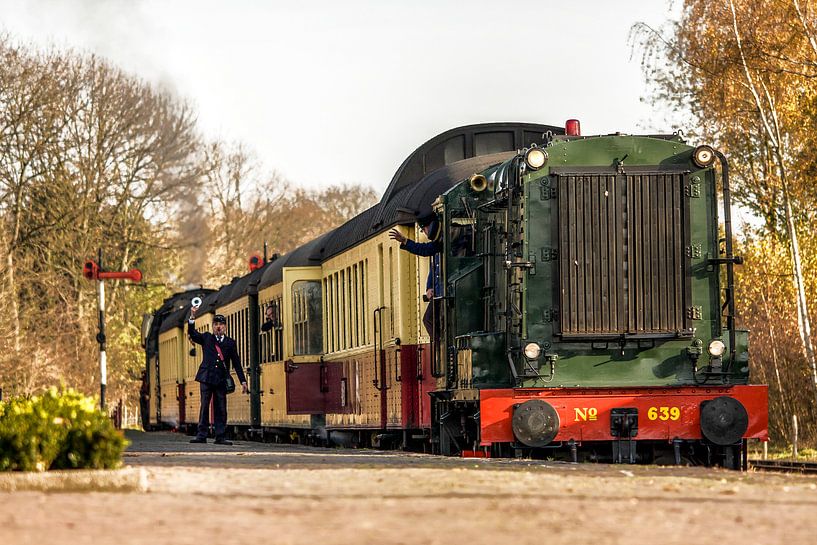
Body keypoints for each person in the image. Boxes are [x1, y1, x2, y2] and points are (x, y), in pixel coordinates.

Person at [188, 308, 248, 445]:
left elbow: (237, 363)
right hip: (206, 377)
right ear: (213, 326)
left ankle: (220, 436)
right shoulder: (206, 338)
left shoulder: (230, 343)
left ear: (225, 327)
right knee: (204, 406)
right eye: (215, 324)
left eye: (220, 324)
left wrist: (243, 381)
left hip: (221, 379)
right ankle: (201, 435)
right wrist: (192, 316)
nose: (218, 327)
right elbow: (192, 333)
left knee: (221, 408)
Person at [389, 215, 442, 339]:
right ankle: (441, 347)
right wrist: (429, 287)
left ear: (429, 226)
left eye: (423, 229)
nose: (424, 232)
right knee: (429, 319)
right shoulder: (438, 243)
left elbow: (424, 250)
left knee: (428, 319)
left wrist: (405, 241)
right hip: (439, 294)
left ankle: (441, 346)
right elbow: (433, 269)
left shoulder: (442, 241)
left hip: (445, 293)